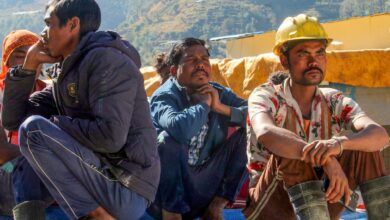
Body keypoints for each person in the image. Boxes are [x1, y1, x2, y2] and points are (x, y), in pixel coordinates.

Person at [1, 0, 160, 219]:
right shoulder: (67, 73)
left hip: (124, 184)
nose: (43, 33)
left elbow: (110, 137)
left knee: (36, 131)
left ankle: (95, 215)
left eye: (49, 24)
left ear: (73, 24)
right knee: (32, 140)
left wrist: (54, 123)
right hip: (100, 178)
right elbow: (13, 120)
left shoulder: (107, 61)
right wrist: (28, 66)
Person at [244, 14, 390, 220]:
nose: (314, 61)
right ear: (285, 60)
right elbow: (266, 132)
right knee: (290, 151)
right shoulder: (267, 95)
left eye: (320, 53)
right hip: (272, 205)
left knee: (364, 148)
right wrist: (327, 160)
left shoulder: (334, 100)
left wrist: (338, 144)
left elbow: (380, 135)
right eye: (303, 54)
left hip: (323, 199)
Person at [149, 37, 248, 220]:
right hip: (164, 195)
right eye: (191, 60)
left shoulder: (218, 93)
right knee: (168, 140)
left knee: (248, 133)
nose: (200, 65)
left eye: (204, 59)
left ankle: (216, 207)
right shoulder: (163, 97)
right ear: (174, 71)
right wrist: (203, 106)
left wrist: (220, 108)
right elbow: (179, 129)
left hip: (203, 187)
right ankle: (172, 213)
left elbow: (255, 114)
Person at [0, 30, 51, 219]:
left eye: (33, 56)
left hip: (40, 171)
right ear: (6, 62)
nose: (27, 62)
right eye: (19, 57)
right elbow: (2, 152)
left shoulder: (49, 93)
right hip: (6, 169)